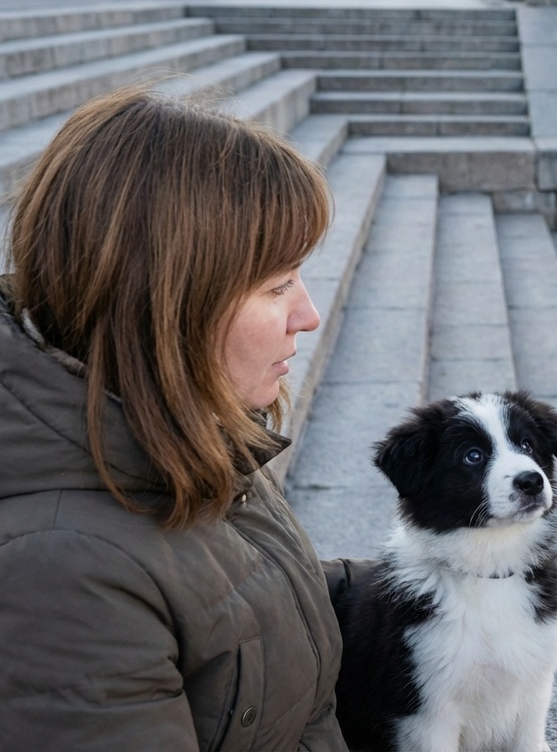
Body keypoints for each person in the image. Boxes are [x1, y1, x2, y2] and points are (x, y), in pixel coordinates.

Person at [0, 85, 349, 749]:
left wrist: (446, 579)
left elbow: (241, 604)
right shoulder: (59, 575)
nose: (308, 315)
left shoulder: (177, 424)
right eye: (278, 286)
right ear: (169, 302)